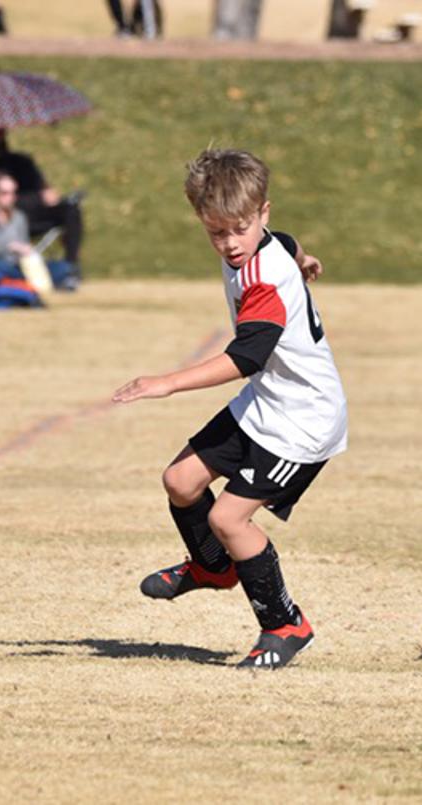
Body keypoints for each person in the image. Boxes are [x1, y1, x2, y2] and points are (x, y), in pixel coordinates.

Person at [111, 148, 347, 670]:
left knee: (227, 516)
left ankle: (285, 624)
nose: (229, 244)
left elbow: (245, 357)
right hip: (268, 402)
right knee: (180, 481)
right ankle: (213, 568)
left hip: (302, 422)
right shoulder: (267, 243)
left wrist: (167, 383)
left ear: (262, 211)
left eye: (239, 229)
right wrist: (304, 258)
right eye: (216, 232)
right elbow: (287, 242)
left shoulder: (263, 281)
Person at [0, 129, 83, 283]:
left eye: (0, 133)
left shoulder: (21, 162)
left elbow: (43, 189)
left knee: (70, 209)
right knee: (1, 267)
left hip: (28, 216)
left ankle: (71, 266)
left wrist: (47, 192)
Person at [0, 171, 75, 291]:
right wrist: (10, 247)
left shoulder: (19, 217)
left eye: (13, 193)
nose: (10, 197)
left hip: (18, 264)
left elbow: (24, 243)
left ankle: (24, 282)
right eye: (4, 193)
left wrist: (26, 251)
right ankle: (24, 283)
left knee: (64, 267)